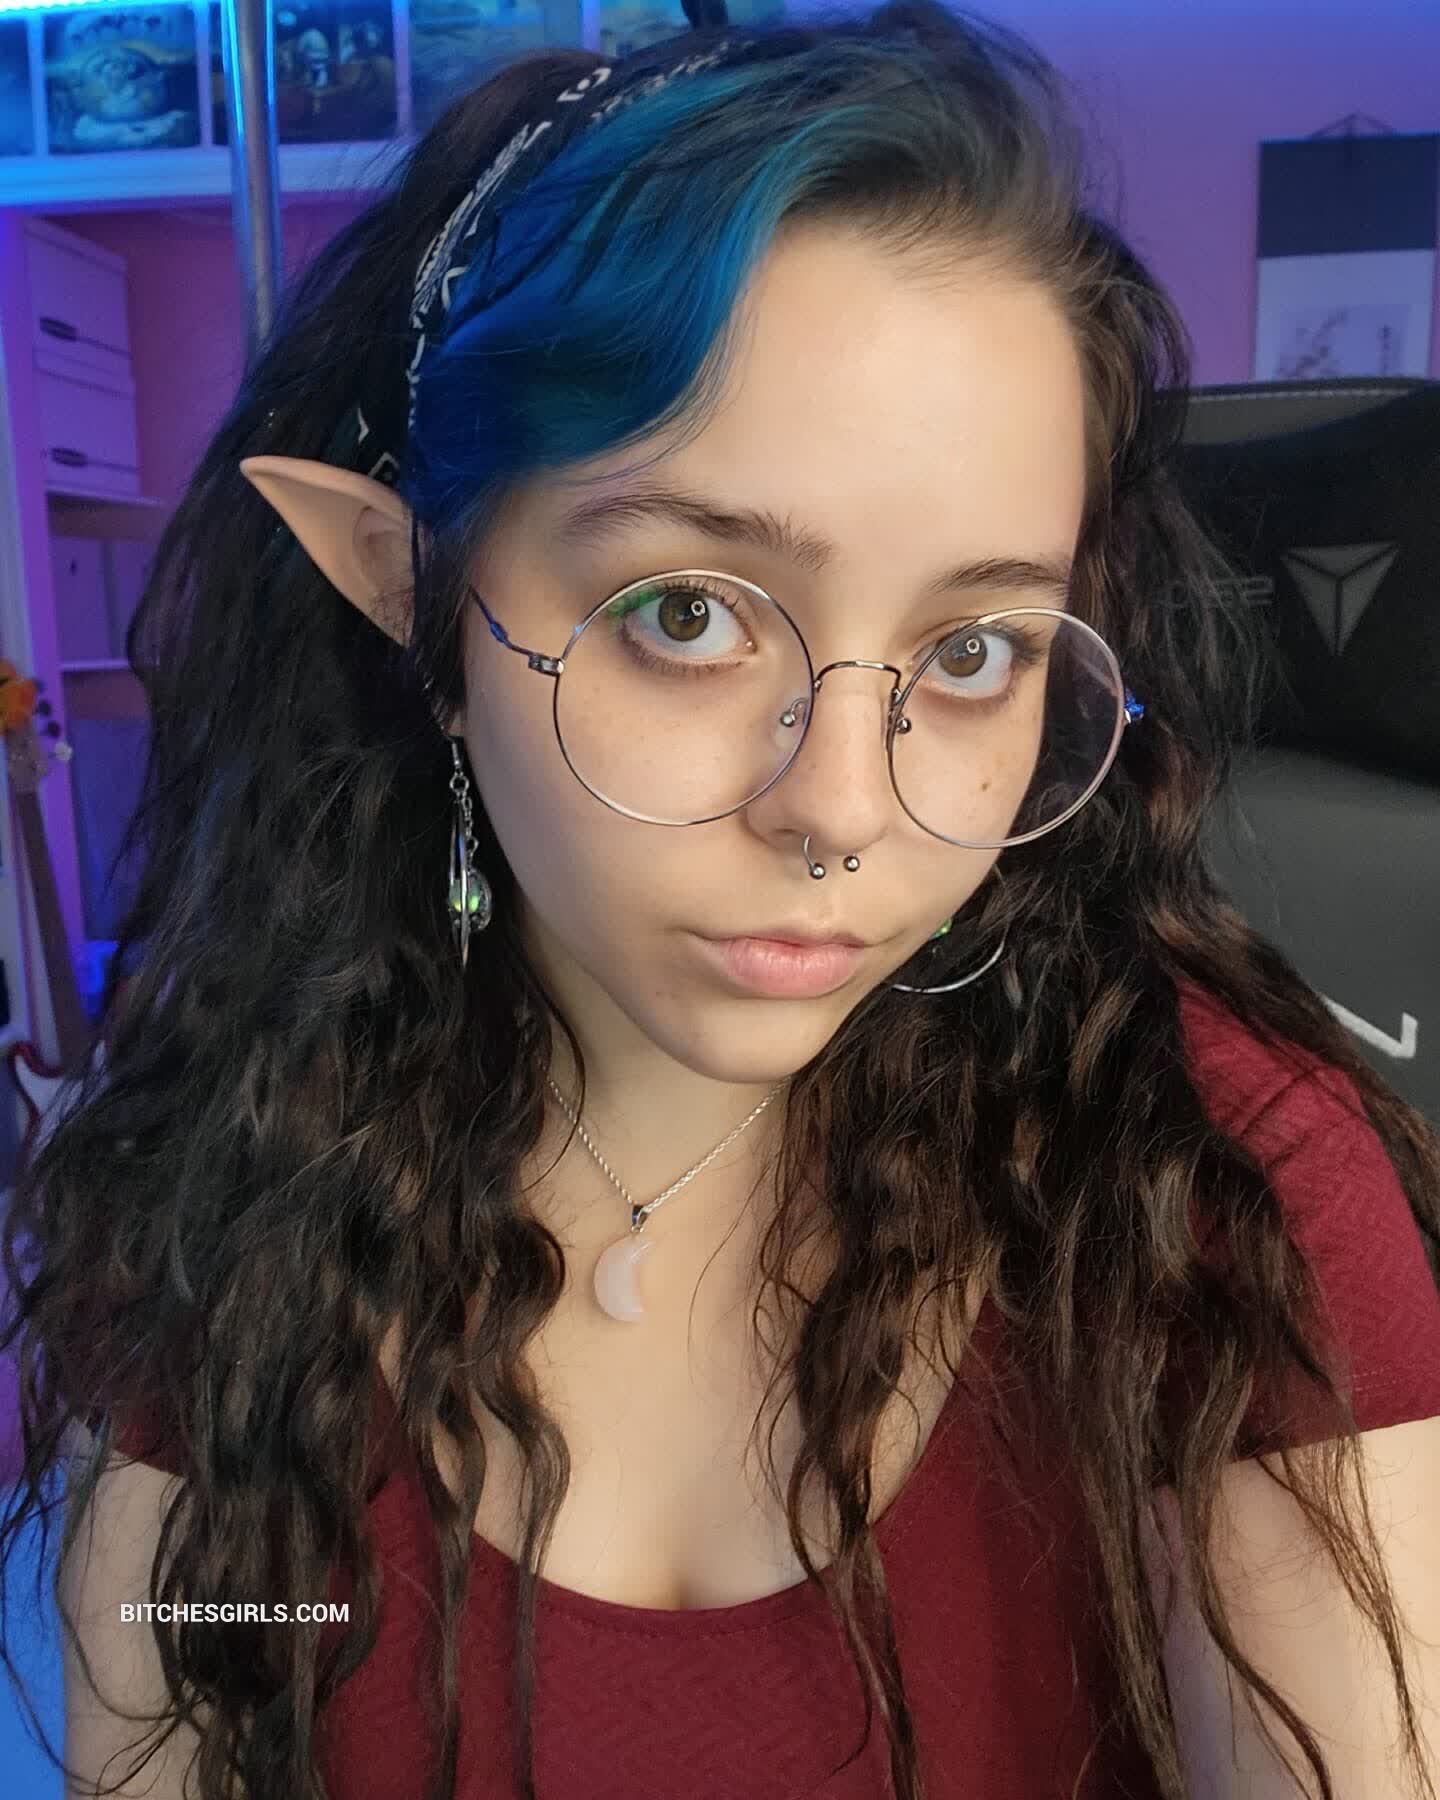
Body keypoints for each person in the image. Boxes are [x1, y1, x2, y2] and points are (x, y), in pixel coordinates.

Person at [2, 5, 1437, 1798]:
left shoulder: (1217, 1195)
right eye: (686, 615)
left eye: (973, 650)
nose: (842, 808)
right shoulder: (233, 1204)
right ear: (414, 599)